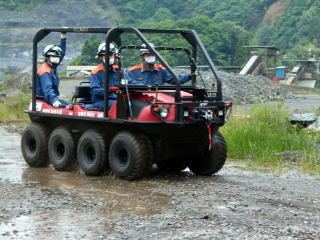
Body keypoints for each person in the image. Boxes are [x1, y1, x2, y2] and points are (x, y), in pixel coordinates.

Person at [125, 43, 191, 85]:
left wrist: (190, 76)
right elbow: (124, 79)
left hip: (158, 100)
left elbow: (175, 79)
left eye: (153, 54)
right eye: (148, 55)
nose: (151, 56)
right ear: (142, 56)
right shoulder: (132, 71)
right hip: (140, 100)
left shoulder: (161, 70)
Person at [36, 32, 69, 108]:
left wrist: (63, 38)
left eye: (57, 56)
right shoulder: (44, 71)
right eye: (54, 56)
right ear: (47, 57)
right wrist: (54, 100)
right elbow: (48, 88)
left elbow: (62, 53)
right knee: (70, 107)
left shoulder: (52, 66)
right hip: (45, 101)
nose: (57, 58)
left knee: (74, 105)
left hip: (50, 100)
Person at [87, 42, 121, 110]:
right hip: (101, 101)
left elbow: (129, 82)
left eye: (111, 55)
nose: (110, 57)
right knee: (119, 105)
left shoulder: (118, 70)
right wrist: (109, 90)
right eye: (107, 55)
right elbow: (95, 91)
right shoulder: (95, 73)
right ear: (101, 57)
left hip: (117, 99)